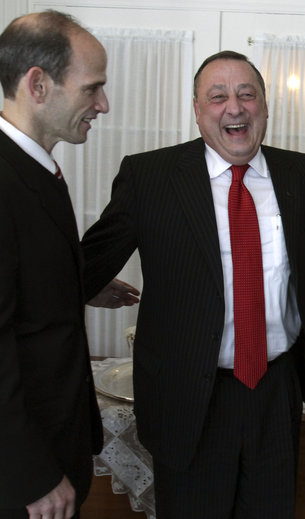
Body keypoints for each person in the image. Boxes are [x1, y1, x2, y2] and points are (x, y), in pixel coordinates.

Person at [81, 50, 305, 518]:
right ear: (197, 110)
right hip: (189, 398)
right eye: (218, 97)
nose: (234, 108)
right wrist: (84, 284)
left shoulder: (303, 173)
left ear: (265, 106)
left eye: (246, 94)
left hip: (276, 391)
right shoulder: (149, 177)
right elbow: (84, 263)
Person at [0, 10, 138, 519]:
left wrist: (74, 284)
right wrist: (29, 471)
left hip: (58, 443)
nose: (102, 104)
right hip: (23, 474)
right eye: (92, 88)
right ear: (38, 84)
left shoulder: (35, 167)